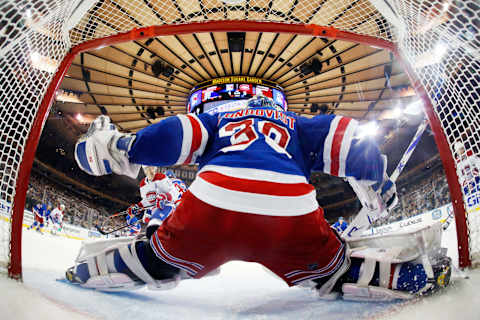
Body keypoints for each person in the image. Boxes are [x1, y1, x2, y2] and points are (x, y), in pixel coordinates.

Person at [68, 97, 450, 300]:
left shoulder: (215, 120)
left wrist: (125, 146)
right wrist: (376, 179)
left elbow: (178, 134)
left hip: (212, 200)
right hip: (290, 209)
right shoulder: (295, 123)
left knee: (158, 259)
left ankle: (91, 270)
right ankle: (411, 275)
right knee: (334, 269)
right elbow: (347, 136)